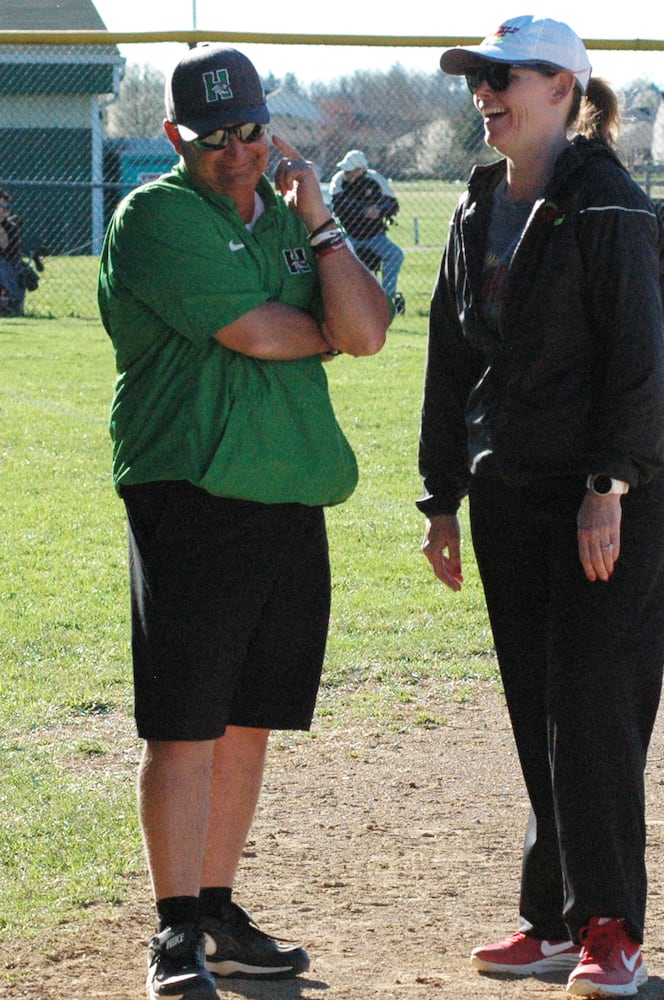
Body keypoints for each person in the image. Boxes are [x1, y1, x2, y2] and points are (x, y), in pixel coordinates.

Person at [97, 43, 390, 1000]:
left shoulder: (290, 218)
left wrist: (320, 223)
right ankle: (175, 930)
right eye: (214, 136)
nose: (237, 152)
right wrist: (324, 333)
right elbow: (261, 333)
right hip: (190, 490)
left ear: (274, 128)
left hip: (288, 489)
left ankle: (216, 911)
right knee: (184, 724)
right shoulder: (155, 216)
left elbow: (369, 331)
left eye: (253, 132)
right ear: (177, 137)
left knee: (247, 722)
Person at [417, 15, 664, 998]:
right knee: (539, 708)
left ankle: (612, 926)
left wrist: (609, 484)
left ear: (565, 90)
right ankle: (555, 918)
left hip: (601, 499)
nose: (484, 91)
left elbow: (640, 364)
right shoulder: (477, 203)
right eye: (476, 77)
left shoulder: (606, 202)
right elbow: (452, 364)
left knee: (593, 711)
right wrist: (442, 495)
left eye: (504, 76)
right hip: (508, 499)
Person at [329, 149, 405, 313]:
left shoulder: (375, 179)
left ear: (361, 171)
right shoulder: (338, 180)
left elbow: (392, 204)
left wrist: (380, 210)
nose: (346, 173)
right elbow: (338, 206)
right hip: (348, 236)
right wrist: (363, 210)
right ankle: (347, 301)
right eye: (345, 170)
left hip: (374, 236)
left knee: (395, 254)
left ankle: (387, 297)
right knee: (338, 262)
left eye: (349, 171)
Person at [0, 189, 25, 314]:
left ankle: (9, 302)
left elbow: (5, 248)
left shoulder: (11, 228)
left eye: (5, 207)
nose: (2, 210)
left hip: (8, 271)